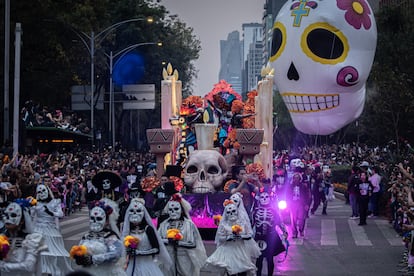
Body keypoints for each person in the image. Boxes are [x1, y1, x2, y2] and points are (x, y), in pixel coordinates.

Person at [158, 193, 207, 276]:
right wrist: (168, 241)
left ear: (181, 210)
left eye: (176, 209)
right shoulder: (164, 225)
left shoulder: (189, 225)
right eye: (171, 209)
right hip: (168, 258)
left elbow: (193, 243)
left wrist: (178, 242)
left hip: (185, 259)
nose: (173, 212)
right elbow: (158, 240)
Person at [204, 200, 257, 276]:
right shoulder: (224, 225)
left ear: (237, 211)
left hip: (241, 251)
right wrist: (228, 237)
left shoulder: (243, 223)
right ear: (226, 214)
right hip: (229, 252)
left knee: (243, 271)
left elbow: (249, 235)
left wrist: (241, 236)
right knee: (230, 271)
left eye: (233, 211)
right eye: (228, 212)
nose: (231, 213)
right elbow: (220, 238)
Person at [121, 197, 172, 276]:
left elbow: (156, 249)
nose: (135, 214)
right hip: (132, 267)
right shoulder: (127, 230)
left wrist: (140, 253)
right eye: (132, 211)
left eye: (138, 211)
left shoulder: (148, 229)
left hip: (148, 266)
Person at [74, 201, 126, 276]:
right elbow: (79, 250)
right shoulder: (86, 236)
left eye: (98, 218)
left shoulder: (110, 236)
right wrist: (79, 257)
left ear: (107, 221)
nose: (95, 221)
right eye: (92, 218)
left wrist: (93, 259)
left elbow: (116, 254)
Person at [31, 183, 73, 276]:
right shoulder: (36, 203)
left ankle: (52, 271)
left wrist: (51, 212)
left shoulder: (55, 202)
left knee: (53, 252)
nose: (42, 193)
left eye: (43, 191)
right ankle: (40, 271)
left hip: (51, 228)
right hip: (39, 229)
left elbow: (61, 214)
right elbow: (31, 215)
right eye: (39, 192)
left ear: (47, 191)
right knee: (39, 253)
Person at [0, 200, 47, 276]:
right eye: (6, 215)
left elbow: (29, 266)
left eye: (13, 215)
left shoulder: (32, 240)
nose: (8, 218)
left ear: (22, 221)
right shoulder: (2, 239)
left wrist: (3, 266)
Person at [252, 189, 288, 276]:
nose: (264, 199)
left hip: (270, 236)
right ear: (259, 199)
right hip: (259, 237)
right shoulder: (255, 211)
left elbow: (280, 222)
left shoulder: (274, 211)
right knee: (259, 258)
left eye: (266, 197)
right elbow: (251, 223)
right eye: (262, 197)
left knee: (269, 258)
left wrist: (285, 232)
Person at [286, 172, 310, 238]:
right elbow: (287, 196)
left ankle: (301, 230)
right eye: (295, 178)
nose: (296, 179)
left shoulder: (303, 186)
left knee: (301, 218)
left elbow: (307, 196)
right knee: (293, 219)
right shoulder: (290, 187)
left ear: (300, 179)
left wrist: (307, 204)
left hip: (301, 204)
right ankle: (294, 233)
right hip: (292, 204)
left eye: (297, 178)